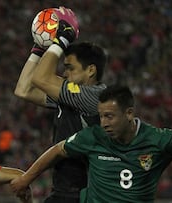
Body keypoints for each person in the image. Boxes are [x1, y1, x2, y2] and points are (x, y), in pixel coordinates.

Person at [11, 84, 172, 202]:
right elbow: (58, 149)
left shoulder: (159, 139)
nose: (104, 123)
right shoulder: (93, 137)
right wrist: (26, 178)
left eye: (110, 116)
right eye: (101, 116)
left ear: (128, 113)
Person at [14, 6, 107, 203]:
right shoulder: (68, 97)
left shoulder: (95, 97)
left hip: (87, 194)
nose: (64, 74)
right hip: (64, 191)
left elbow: (40, 79)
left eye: (70, 68)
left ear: (91, 70)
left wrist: (62, 39)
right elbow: (23, 89)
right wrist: (39, 48)